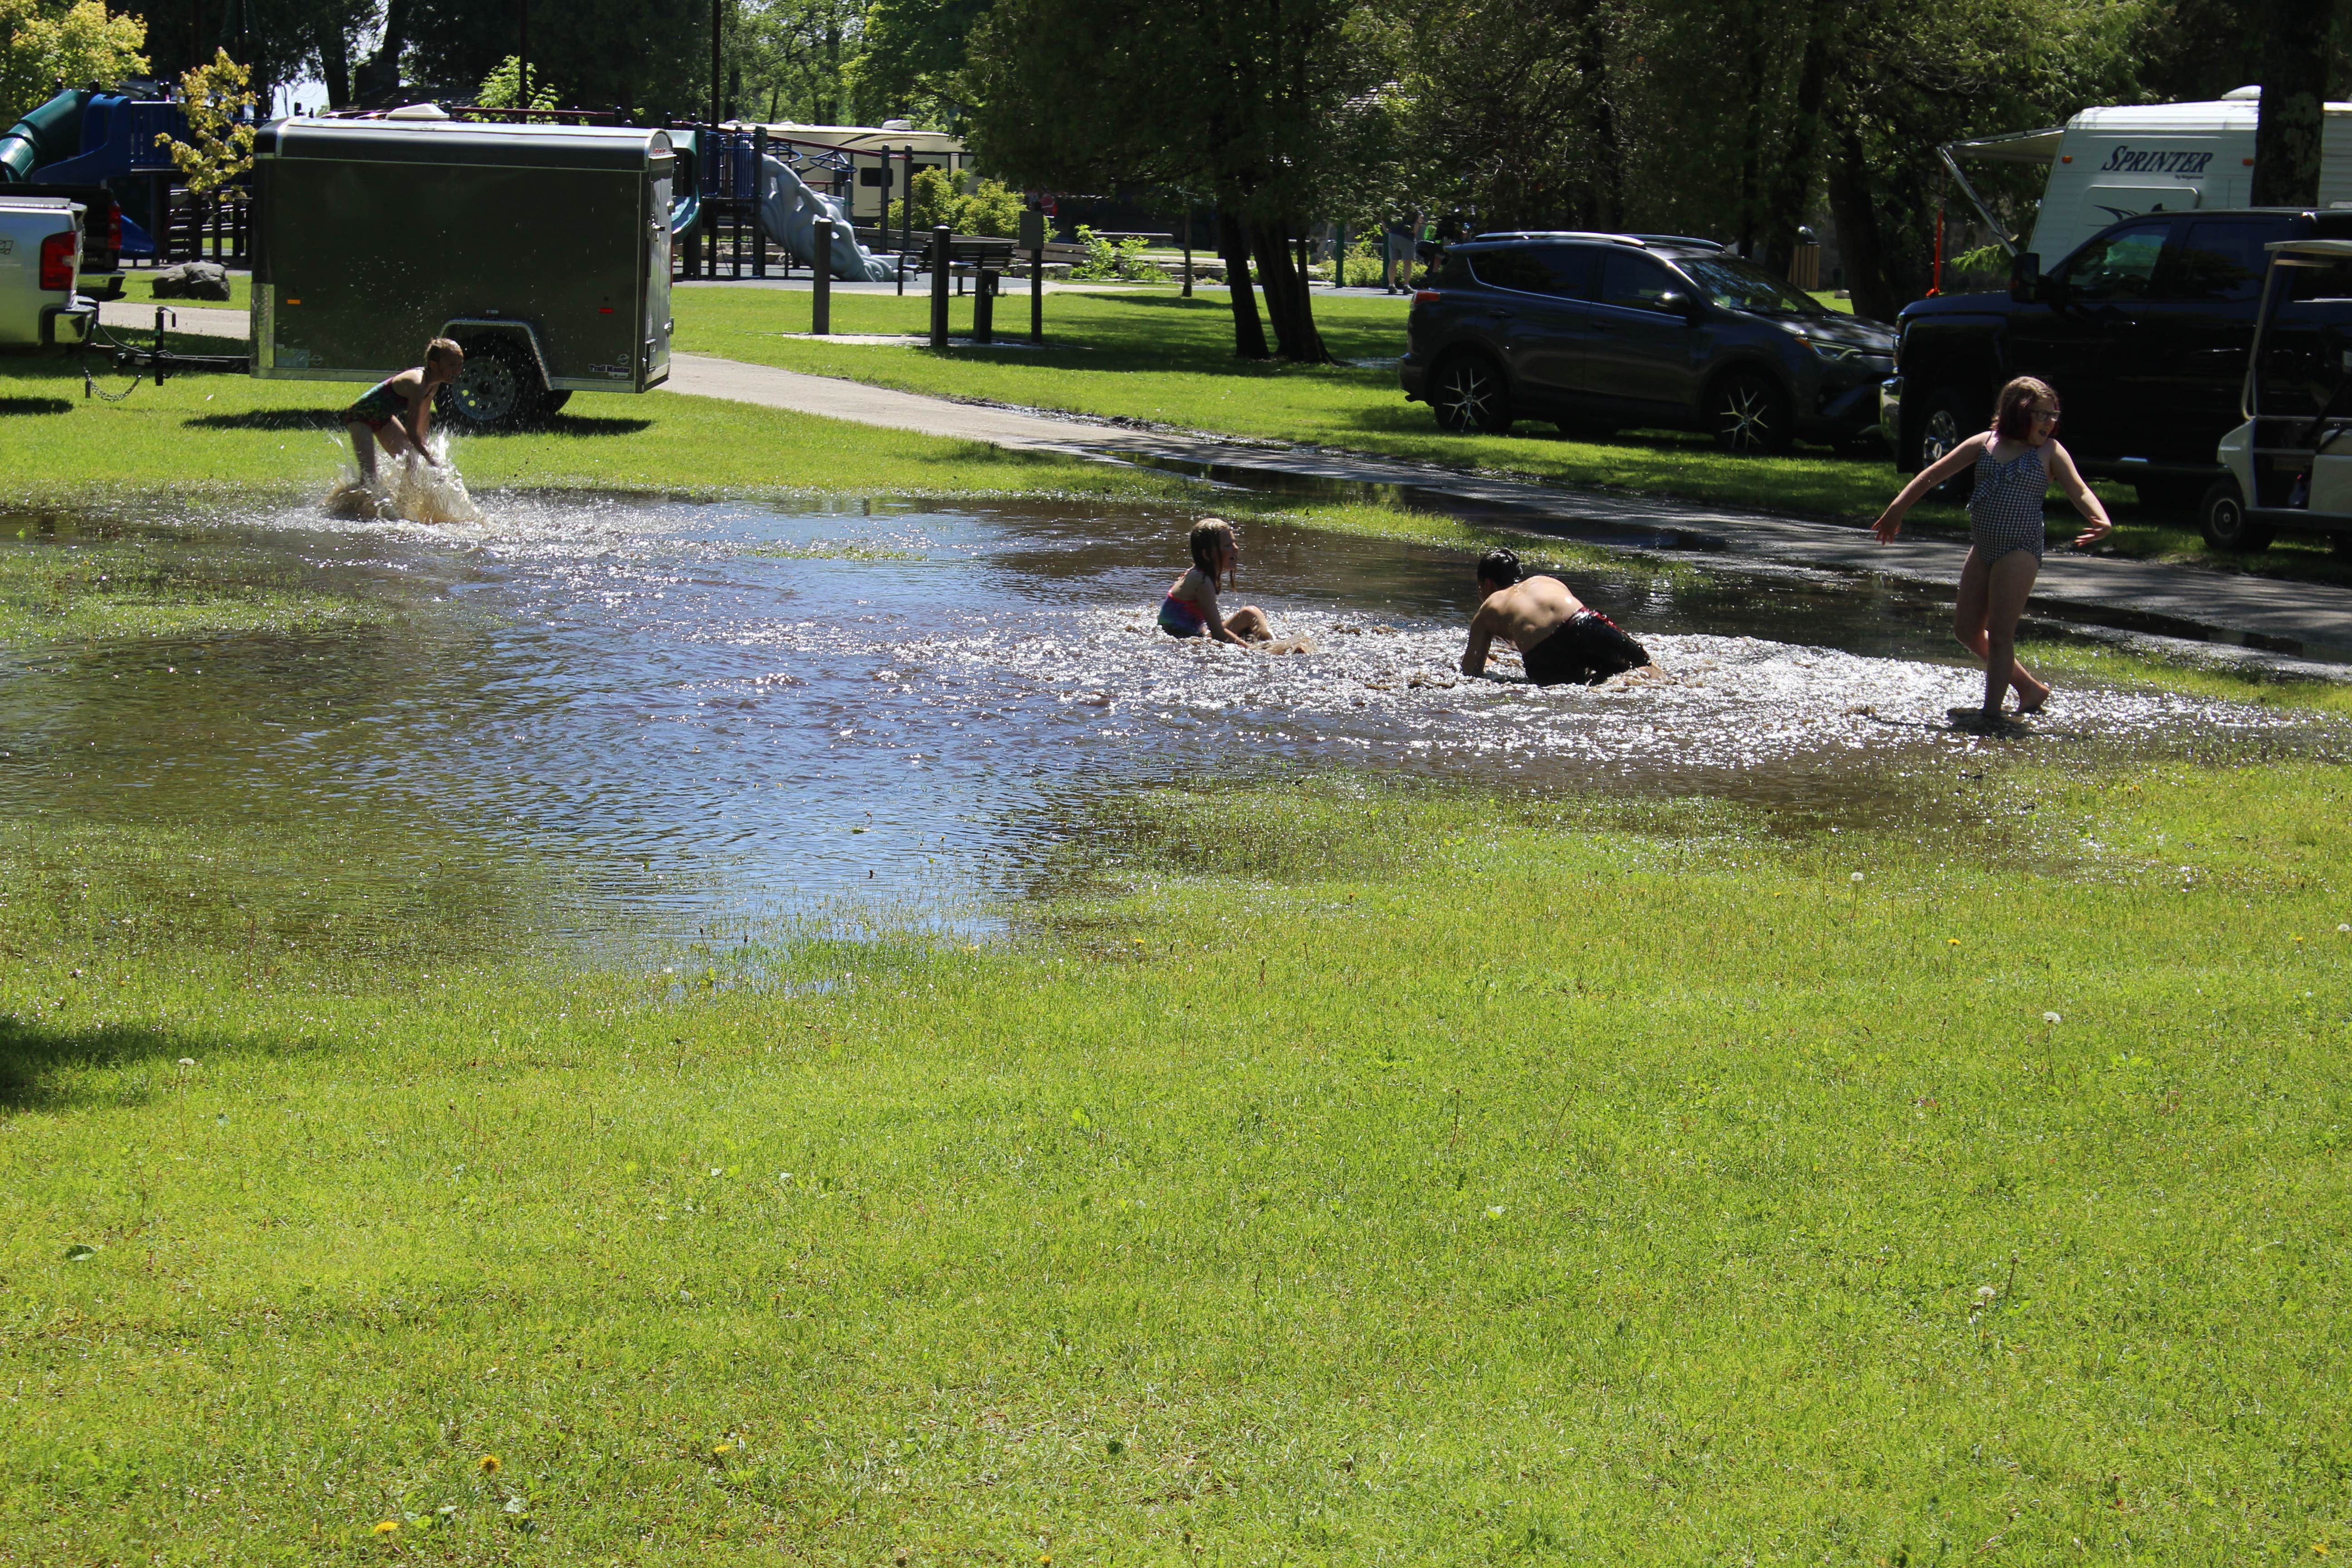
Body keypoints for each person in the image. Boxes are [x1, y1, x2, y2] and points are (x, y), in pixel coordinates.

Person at [1872, 375, 2112, 726]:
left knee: (2001, 634)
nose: (2050, 423)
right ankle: (2030, 689)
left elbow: (2080, 490)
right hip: (1984, 547)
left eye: (2054, 415)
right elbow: (1930, 476)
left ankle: (1991, 715)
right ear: (2019, 412)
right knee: (1967, 630)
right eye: (2042, 415)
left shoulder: (2049, 453)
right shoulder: (1983, 444)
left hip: (2020, 549)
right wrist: (1896, 511)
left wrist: (2100, 518)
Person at [1459, 548, 1655, 685]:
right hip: (1585, 624)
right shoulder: (1546, 581)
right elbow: (1566, 626)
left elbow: (1471, 672)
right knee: (1644, 667)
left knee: (1577, 687)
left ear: (1487, 584)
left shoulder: (1488, 608)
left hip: (1544, 651)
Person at [343, 338, 465, 486]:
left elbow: (423, 419)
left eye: (460, 365)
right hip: (360, 417)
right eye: (451, 365)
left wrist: (424, 447)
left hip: (384, 419)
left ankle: (402, 502)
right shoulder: (418, 384)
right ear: (434, 364)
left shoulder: (433, 385)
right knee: (370, 478)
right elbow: (412, 432)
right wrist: (432, 460)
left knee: (412, 461)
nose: (457, 371)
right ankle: (335, 506)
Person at [1159, 518, 1276, 646]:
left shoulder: (1196, 573)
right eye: (1227, 546)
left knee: (1250, 612)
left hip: (1192, 634)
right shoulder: (1202, 582)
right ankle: (1272, 648)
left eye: (1234, 543)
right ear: (1207, 554)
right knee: (1249, 616)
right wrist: (1251, 650)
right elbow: (1218, 633)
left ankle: (1273, 644)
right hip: (1181, 639)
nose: (1235, 549)